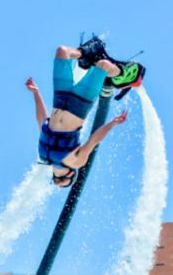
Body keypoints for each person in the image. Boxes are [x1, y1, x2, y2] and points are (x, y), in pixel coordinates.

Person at [26, 36, 142, 187]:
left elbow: (41, 120)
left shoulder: (43, 154)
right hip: (80, 103)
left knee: (62, 51)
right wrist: (112, 123)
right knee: (103, 65)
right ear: (71, 175)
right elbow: (94, 140)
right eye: (63, 183)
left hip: (60, 97)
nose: (57, 182)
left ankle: (84, 54)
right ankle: (123, 76)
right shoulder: (77, 163)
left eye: (56, 182)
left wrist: (36, 93)